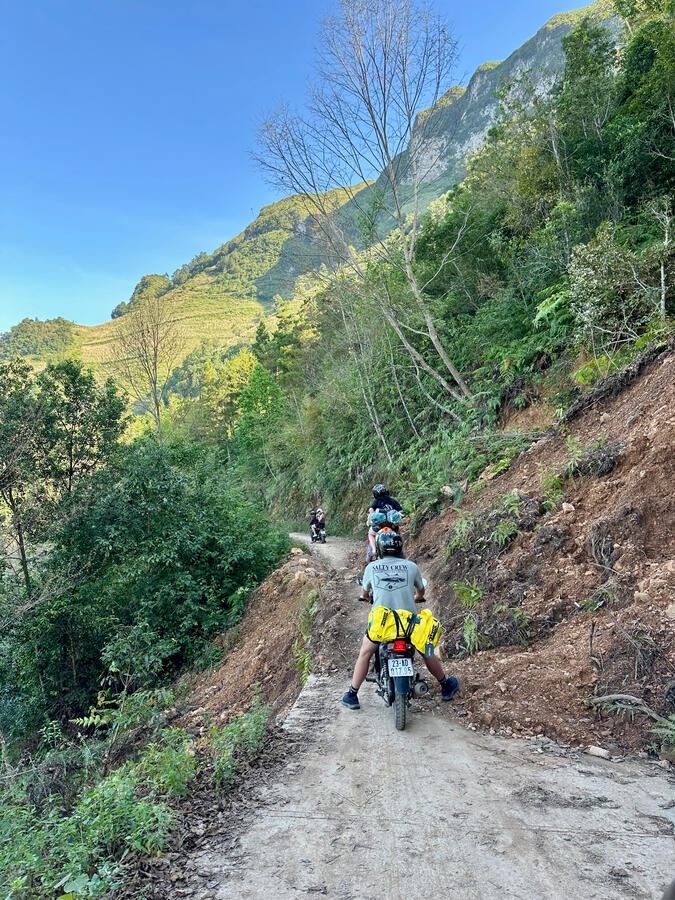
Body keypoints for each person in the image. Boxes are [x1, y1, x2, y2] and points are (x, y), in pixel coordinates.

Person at [342, 530, 459, 710]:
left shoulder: (371, 568)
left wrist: (366, 597)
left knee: (365, 653)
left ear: (380, 548)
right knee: (427, 651)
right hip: (409, 624)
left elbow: (364, 593)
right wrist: (417, 597)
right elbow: (421, 591)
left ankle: (352, 694)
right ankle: (445, 685)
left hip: (382, 625)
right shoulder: (411, 567)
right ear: (400, 548)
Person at [366, 484, 402, 561]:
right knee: (398, 534)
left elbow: (371, 510)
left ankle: (373, 550)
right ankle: (401, 550)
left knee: (371, 534)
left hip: (380, 525)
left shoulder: (376, 501)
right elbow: (400, 511)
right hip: (392, 525)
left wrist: (371, 518)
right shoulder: (392, 500)